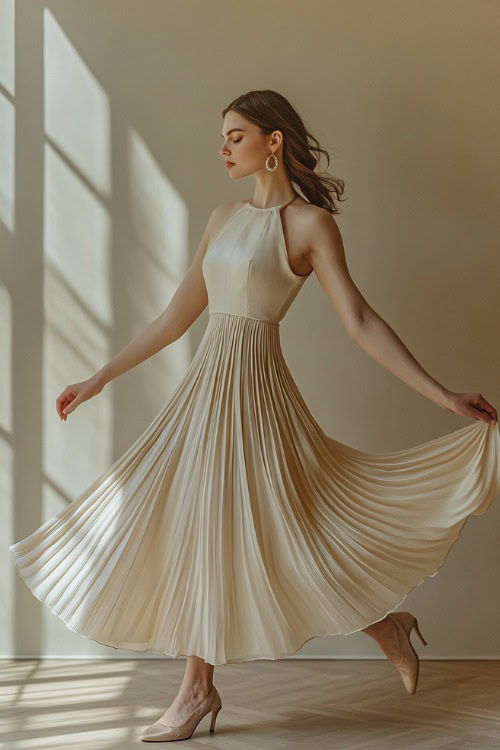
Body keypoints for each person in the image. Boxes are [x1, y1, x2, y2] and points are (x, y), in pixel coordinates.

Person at [10, 89, 499, 743]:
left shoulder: (309, 225)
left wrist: (442, 396)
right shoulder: (221, 217)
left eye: (236, 136)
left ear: (275, 142)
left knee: (279, 528)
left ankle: (204, 688)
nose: (224, 149)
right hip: (206, 390)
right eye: (223, 137)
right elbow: (176, 317)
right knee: (217, 526)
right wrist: (100, 378)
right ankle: (353, 637)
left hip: (257, 394)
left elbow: (359, 322)